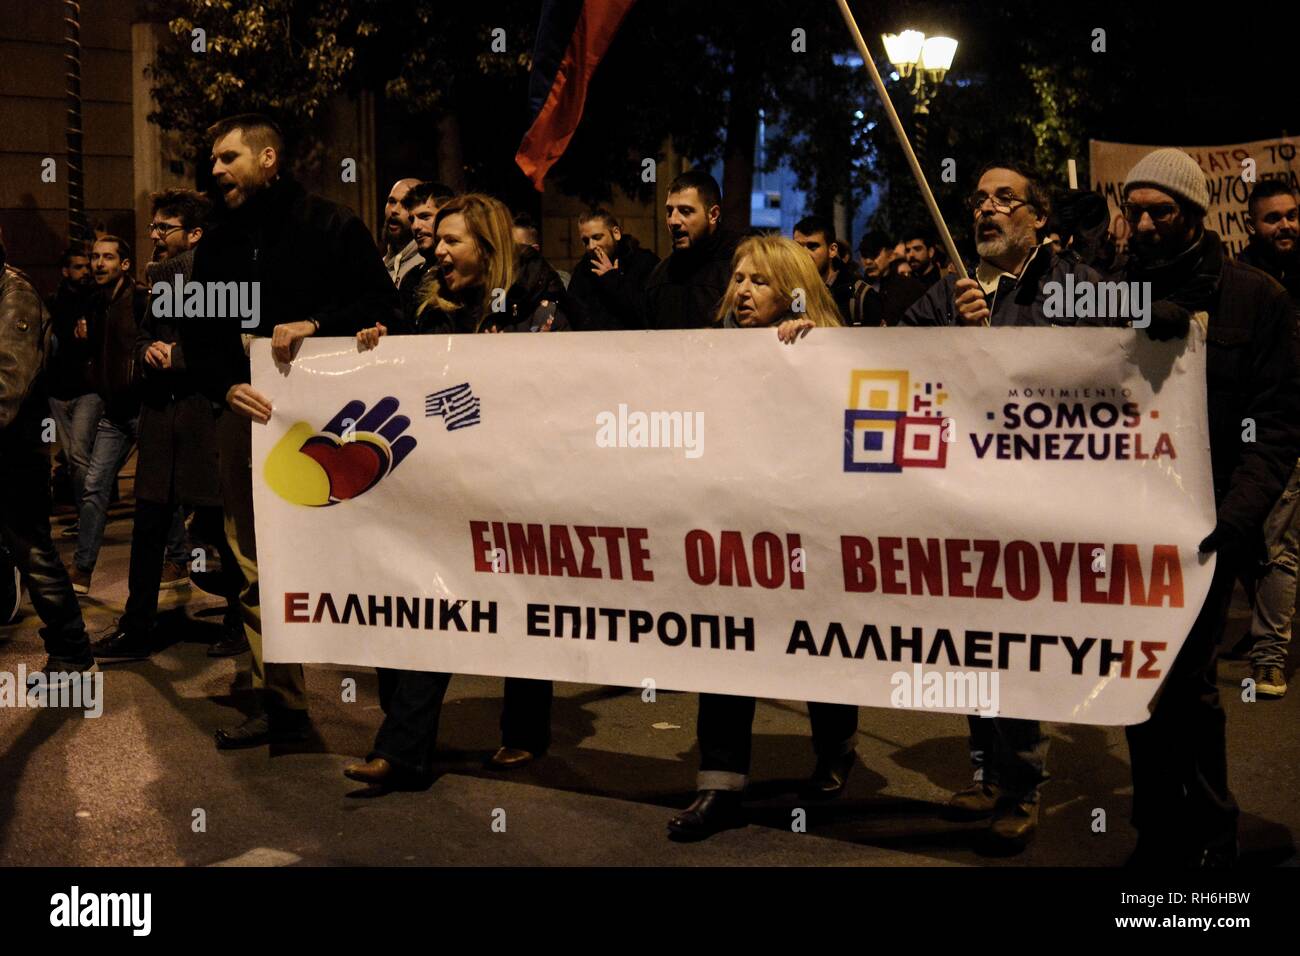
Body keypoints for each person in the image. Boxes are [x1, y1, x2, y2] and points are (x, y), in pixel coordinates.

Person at [903, 161, 1117, 849]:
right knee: (970, 640)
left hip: (1038, 502)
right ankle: (987, 774)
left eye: (1004, 199)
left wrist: (995, 334)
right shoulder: (957, 287)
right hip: (964, 496)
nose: (985, 210)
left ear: (1038, 217)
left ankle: (1022, 789)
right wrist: (950, 333)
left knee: (1014, 646)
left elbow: (1102, 368)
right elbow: (891, 347)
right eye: (978, 200)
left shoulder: (1078, 287)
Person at [180, 113, 400, 749]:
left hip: (337, 430)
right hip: (244, 426)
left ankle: (404, 721)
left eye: (228, 158)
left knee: (353, 557)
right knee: (252, 563)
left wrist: (316, 323)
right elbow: (199, 334)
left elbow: (383, 309)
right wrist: (224, 384)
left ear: (268, 157)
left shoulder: (332, 227)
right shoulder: (216, 245)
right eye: (213, 160)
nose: (215, 170)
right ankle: (282, 704)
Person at [345, 193, 567, 789]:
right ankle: (404, 743)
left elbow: (560, 384)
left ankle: (519, 732)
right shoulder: (431, 309)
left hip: (519, 482)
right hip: (446, 487)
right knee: (426, 606)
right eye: (436, 240)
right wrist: (378, 347)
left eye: (451, 241)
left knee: (521, 606)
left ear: (487, 248)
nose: (436, 251)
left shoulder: (538, 300)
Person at [1115, 149, 1300, 865]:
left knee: (1188, 684)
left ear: (1191, 215)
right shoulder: (1114, 286)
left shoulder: (1256, 299)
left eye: (1161, 210)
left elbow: (1278, 421)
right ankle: (1156, 832)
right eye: (1135, 210)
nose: (1145, 223)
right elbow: (1053, 333)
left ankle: (1211, 835)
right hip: (1127, 522)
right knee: (1141, 677)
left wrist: (1234, 519)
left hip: (1207, 526)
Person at [667, 235, 855, 840]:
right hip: (733, 528)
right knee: (727, 646)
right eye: (739, 279)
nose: (742, 291)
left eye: (759, 281)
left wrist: (813, 355)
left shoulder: (829, 350)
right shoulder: (714, 350)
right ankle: (718, 786)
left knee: (815, 647)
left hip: (806, 529)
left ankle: (835, 746)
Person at [91, 189, 249, 663]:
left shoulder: (224, 279)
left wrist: (177, 355)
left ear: (194, 234)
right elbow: (141, 339)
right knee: (148, 527)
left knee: (221, 529)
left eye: (165, 227)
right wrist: (147, 352)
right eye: (154, 227)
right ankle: (136, 626)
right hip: (161, 419)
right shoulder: (158, 284)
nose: (155, 236)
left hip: (206, 419)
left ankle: (240, 622)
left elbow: (236, 346)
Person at [0, 230, 97, 679]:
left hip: (13, 453)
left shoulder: (14, 295)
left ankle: (71, 650)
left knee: (33, 549)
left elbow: (9, 384)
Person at [1231, 179, 1300, 698]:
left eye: (1292, 215)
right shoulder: (1239, 282)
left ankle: (1269, 658)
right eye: (1274, 218)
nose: (1287, 225)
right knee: (1250, 541)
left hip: (1289, 430)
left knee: (1278, 543)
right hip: (1249, 424)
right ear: (1251, 225)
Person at [68, 236, 148, 596]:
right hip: (114, 411)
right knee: (94, 487)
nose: (99, 264)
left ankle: (178, 556)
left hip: (146, 408)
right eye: (95, 257)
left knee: (160, 492)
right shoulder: (96, 301)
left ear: (125, 264)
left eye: (108, 258)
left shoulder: (142, 299)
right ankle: (82, 570)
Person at [45, 244, 97, 540]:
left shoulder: (95, 299)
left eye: (86, 265)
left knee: (79, 454)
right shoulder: (52, 302)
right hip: (58, 391)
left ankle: (90, 518)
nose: (85, 271)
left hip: (87, 389)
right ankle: (85, 515)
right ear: (65, 271)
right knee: (72, 457)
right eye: (78, 266)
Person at [643, 170, 740, 330]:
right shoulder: (659, 276)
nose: (673, 221)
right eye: (669, 211)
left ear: (713, 214)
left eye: (685, 211)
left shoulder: (742, 266)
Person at [566, 208, 659, 330]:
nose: (591, 246)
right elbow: (574, 315)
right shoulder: (582, 270)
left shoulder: (644, 262)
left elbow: (646, 314)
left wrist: (612, 279)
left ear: (616, 233)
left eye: (597, 237)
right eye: (586, 241)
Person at [394, 181, 455, 331]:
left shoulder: (462, 272)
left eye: (425, 217)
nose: (415, 226)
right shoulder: (411, 279)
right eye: (412, 219)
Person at [850, 230, 925, 326]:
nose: (868, 261)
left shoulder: (910, 288)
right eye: (864, 255)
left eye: (874, 255)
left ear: (890, 255)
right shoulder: (857, 291)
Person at [792, 214, 853, 322]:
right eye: (798, 247)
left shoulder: (858, 295)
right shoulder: (789, 291)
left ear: (832, 250)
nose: (804, 253)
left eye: (813, 246)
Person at [382, 178, 423, 287]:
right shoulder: (377, 267)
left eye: (406, 204)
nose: (394, 210)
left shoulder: (425, 268)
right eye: (392, 201)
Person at [512, 212, 570, 288]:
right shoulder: (502, 281)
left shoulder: (559, 281)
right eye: (511, 247)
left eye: (520, 248)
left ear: (535, 249)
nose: (513, 253)